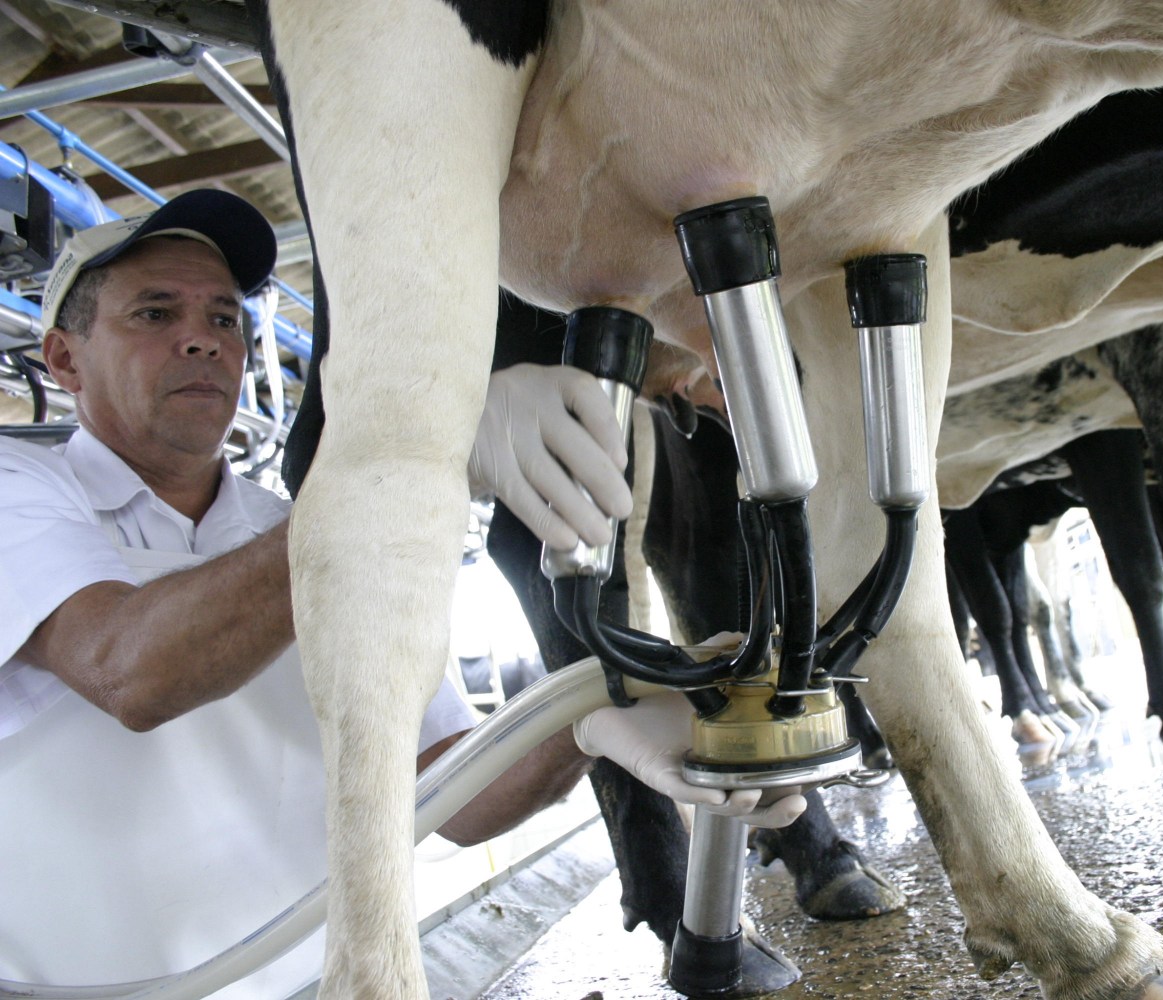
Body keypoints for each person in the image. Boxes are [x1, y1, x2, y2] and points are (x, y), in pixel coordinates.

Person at [0, 190, 802, 997]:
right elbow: (132, 672)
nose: (202, 342)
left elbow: (453, 799)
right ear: (64, 359)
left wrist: (595, 720)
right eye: (154, 313)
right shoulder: (20, 488)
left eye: (223, 320)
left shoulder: (292, 525)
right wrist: (412, 461)